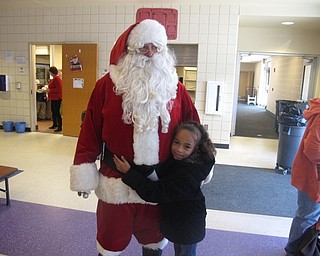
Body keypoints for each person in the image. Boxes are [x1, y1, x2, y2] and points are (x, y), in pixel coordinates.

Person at [69, 19, 200, 256]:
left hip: (159, 185)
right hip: (115, 184)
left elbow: (196, 131)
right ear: (130, 49)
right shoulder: (106, 86)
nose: (150, 53)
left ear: (163, 50)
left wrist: (198, 169)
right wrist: (84, 169)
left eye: (155, 47)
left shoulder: (176, 89)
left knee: (153, 245)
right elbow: (90, 130)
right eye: (143, 47)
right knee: (109, 245)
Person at [113, 121, 216, 256]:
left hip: (187, 223)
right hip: (183, 220)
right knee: (181, 251)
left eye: (187, 146)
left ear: (196, 149)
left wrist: (129, 173)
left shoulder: (186, 174)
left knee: (186, 253)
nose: (179, 149)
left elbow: (155, 193)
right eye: (176, 142)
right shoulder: (183, 162)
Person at [285, 98, 320, 256]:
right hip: (312, 175)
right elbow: (312, 149)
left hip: (313, 173)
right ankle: (293, 250)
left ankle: (304, 247)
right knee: (308, 215)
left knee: (310, 214)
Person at [47, 66, 62, 132]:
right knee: (53, 111)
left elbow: (59, 89)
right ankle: (55, 124)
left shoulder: (57, 79)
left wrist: (50, 90)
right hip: (53, 98)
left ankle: (59, 126)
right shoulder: (54, 78)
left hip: (57, 98)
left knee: (56, 112)